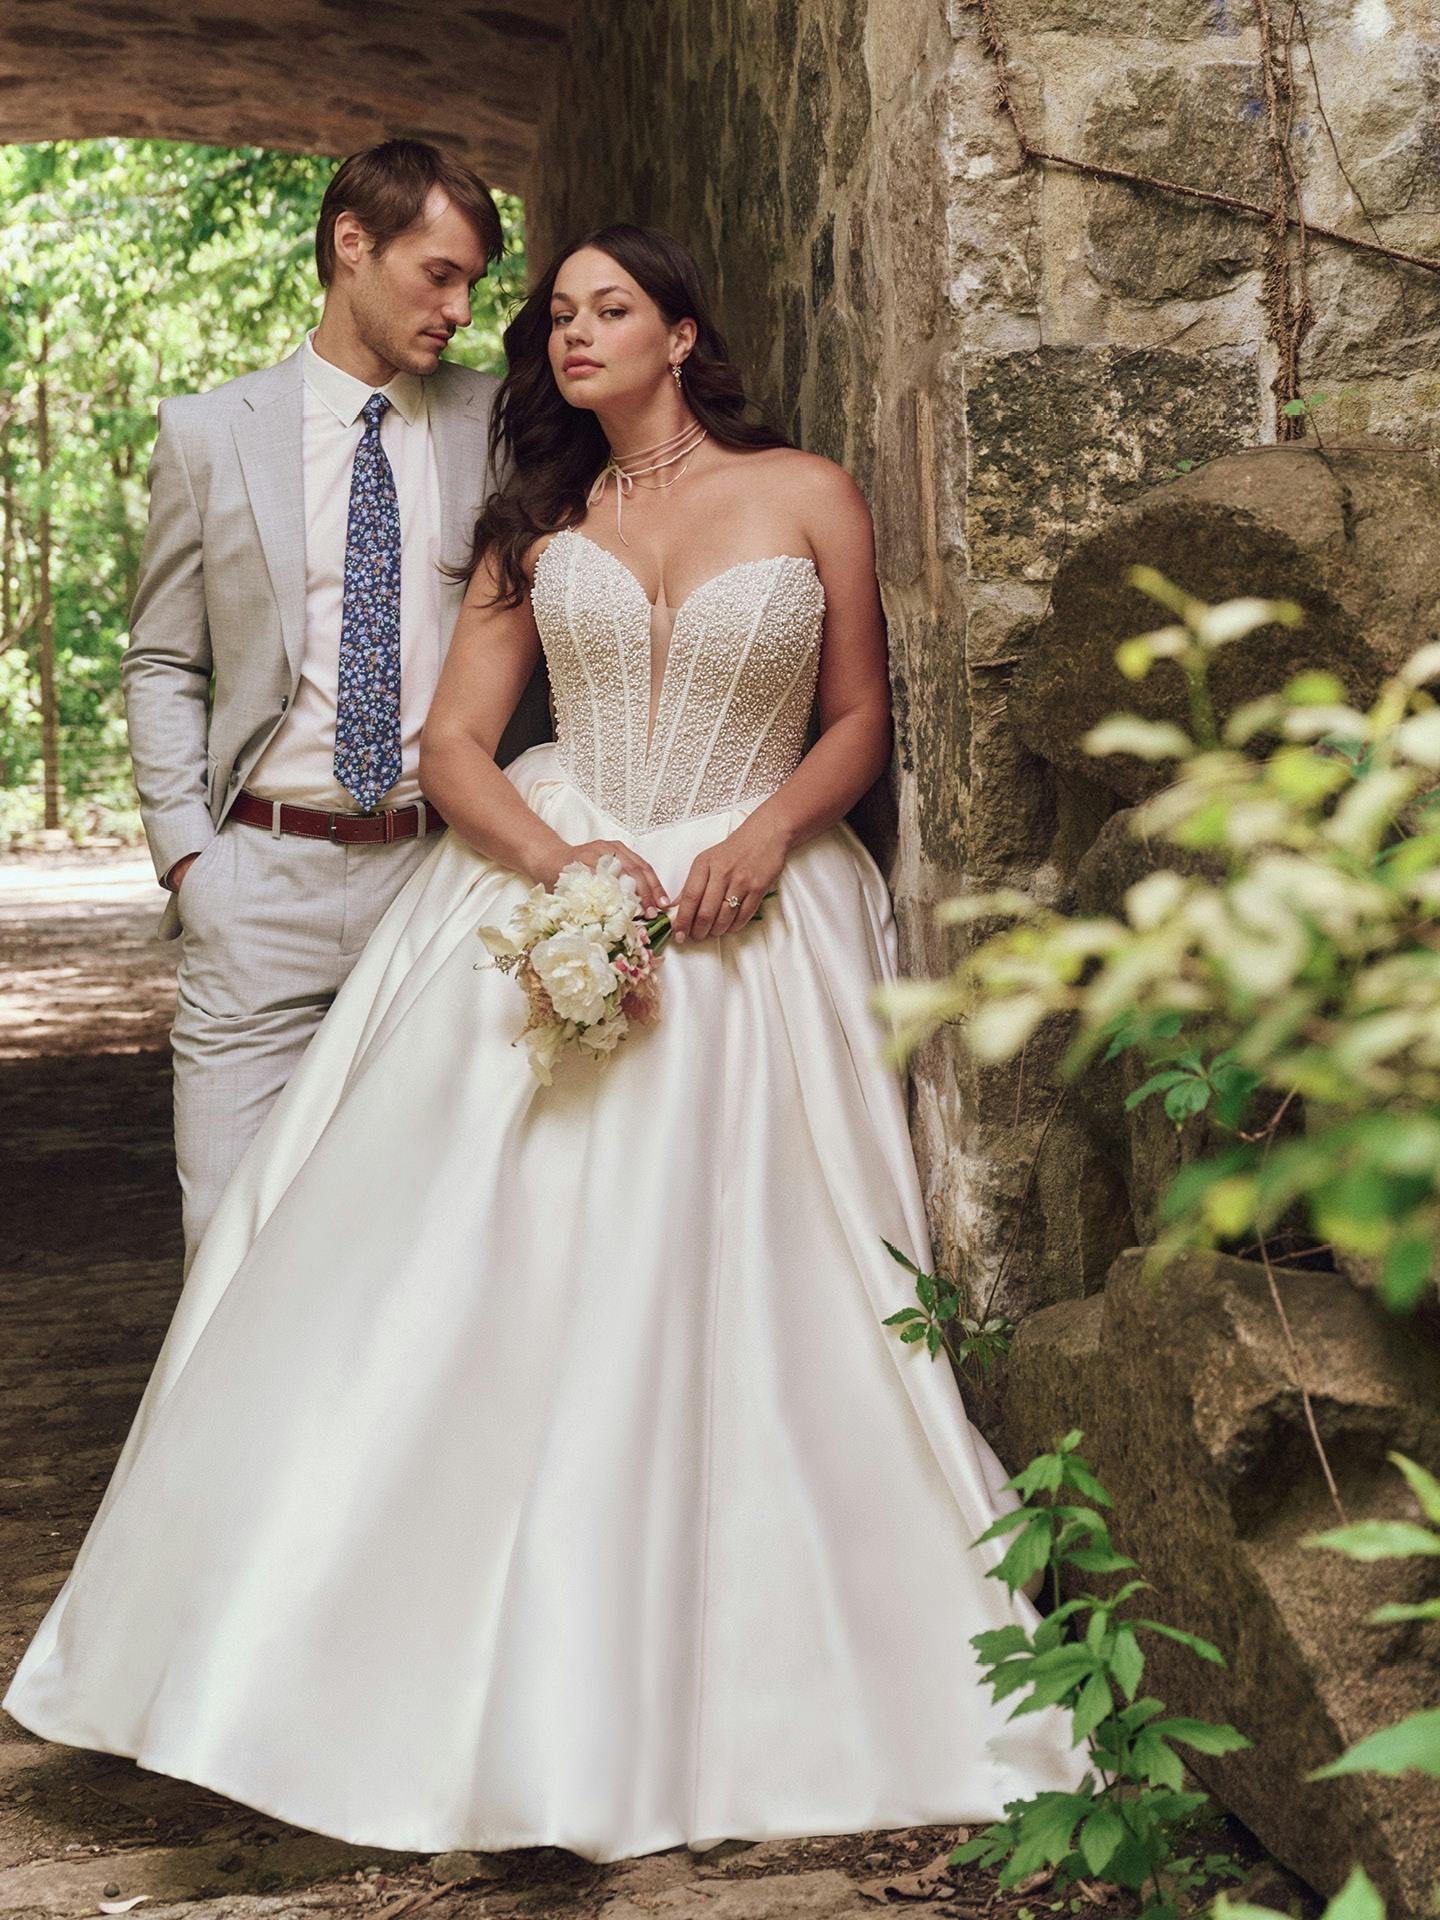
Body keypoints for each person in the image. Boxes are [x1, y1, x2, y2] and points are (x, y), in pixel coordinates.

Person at [4, 225, 1086, 1860]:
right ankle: (348, 1662)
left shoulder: (808, 493)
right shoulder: (535, 526)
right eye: (558, 315)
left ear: (681, 333)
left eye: (609, 309)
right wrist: (567, 864)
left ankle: (717, 1656)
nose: (573, 334)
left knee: (735, 1277)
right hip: (561, 874)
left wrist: (767, 838)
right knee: (431, 1267)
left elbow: (857, 715)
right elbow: (451, 744)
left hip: (754, 896)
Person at [121, 138, 507, 1269]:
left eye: (474, 283)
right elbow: (160, 659)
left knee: (415, 1240)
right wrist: (190, 860)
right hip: (258, 883)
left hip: (436, 884)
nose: (459, 306)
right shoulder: (210, 433)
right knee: (228, 1237)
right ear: (352, 245)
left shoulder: (501, 422)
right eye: (439, 274)